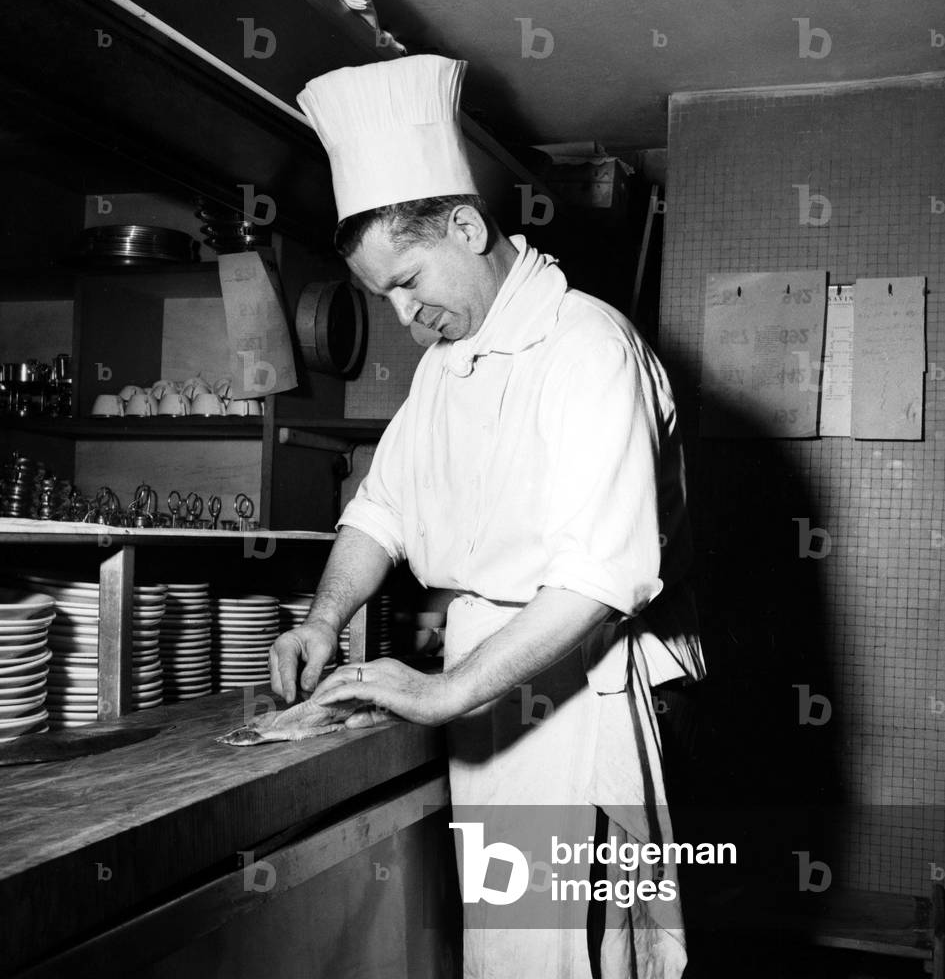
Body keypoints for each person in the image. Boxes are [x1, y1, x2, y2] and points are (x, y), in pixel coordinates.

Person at [269, 54, 705, 979]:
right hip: (492, 692)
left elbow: (598, 578)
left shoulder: (587, 348)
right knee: (511, 951)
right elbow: (380, 510)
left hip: (576, 694)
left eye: (408, 278)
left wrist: (443, 690)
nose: (401, 315)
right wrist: (321, 617)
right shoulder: (446, 366)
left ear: (466, 226)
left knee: (563, 957)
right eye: (383, 294)